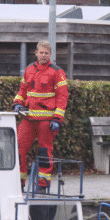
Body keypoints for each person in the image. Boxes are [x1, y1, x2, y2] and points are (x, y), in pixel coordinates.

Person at [12, 41, 68, 192]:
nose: (43, 55)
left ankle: (42, 186)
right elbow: (22, 90)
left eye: (46, 53)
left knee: (44, 152)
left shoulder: (57, 72)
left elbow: (62, 97)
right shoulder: (29, 69)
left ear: (50, 55)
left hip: (46, 120)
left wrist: (57, 119)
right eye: (41, 53)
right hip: (29, 118)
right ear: (36, 53)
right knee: (18, 148)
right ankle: (18, 182)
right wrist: (17, 103)